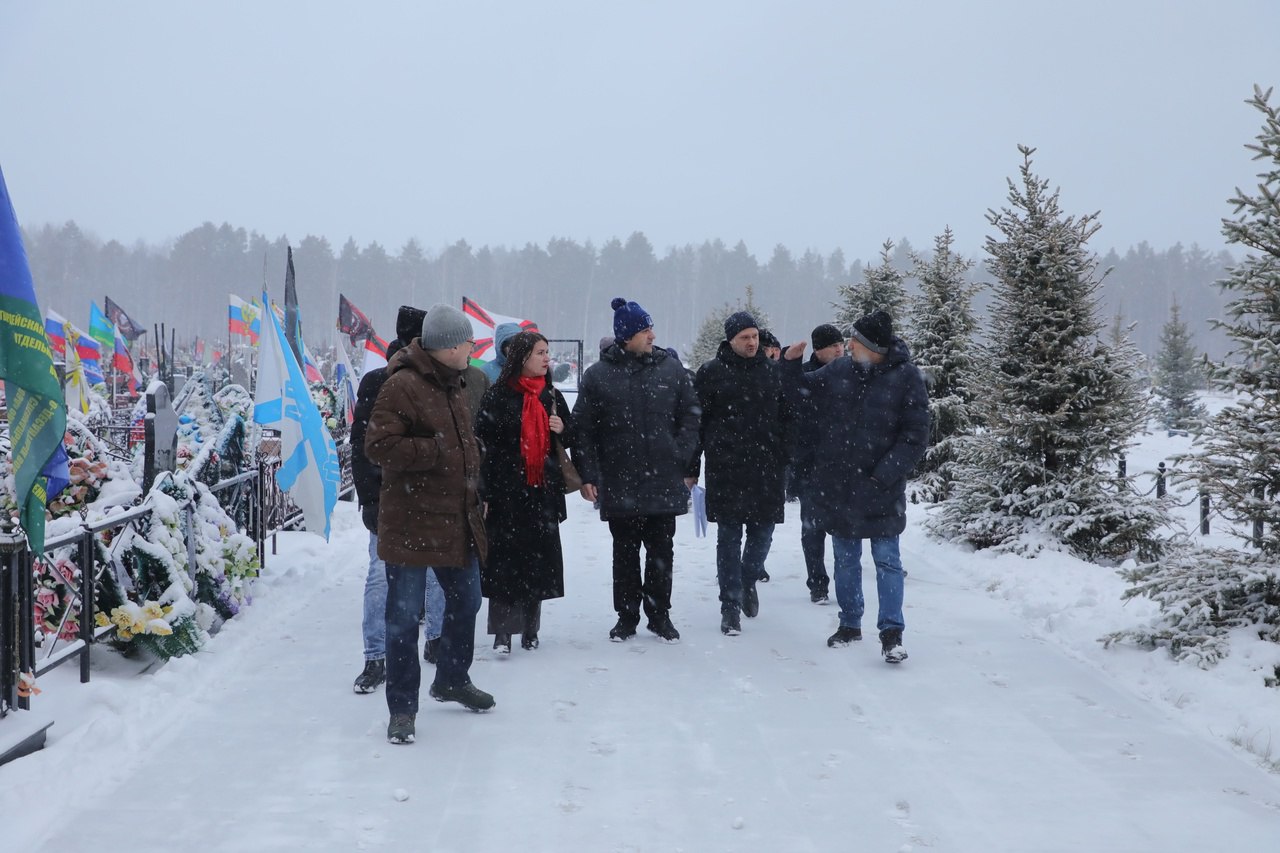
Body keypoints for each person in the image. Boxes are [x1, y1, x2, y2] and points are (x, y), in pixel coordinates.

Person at [365, 303, 495, 745]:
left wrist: (474, 467)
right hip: (410, 522)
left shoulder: (456, 380)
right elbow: (378, 445)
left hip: (455, 518)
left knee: (468, 600)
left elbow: (461, 441)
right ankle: (403, 709)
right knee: (403, 619)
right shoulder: (401, 385)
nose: (473, 349)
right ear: (449, 346)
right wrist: (436, 451)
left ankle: (452, 678)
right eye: (469, 343)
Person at [781, 310, 928, 664]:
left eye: (855, 341)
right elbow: (800, 395)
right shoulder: (840, 370)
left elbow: (915, 436)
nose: (848, 345)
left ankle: (891, 634)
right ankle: (849, 624)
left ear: (873, 346)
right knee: (845, 560)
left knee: (887, 561)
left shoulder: (907, 377)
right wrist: (789, 365)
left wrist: (882, 475)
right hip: (841, 487)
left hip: (882, 490)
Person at [572, 297, 700, 643]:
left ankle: (660, 616)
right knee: (624, 553)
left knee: (662, 552)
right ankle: (626, 616)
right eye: (645, 330)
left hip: (663, 479)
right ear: (626, 336)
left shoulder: (672, 370)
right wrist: (587, 474)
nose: (652, 336)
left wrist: (680, 455)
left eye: (651, 329)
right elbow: (583, 430)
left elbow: (691, 416)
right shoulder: (598, 376)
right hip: (620, 480)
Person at [350, 305, 445, 694]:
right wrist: (370, 499)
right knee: (381, 576)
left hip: (432, 495)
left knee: (437, 573)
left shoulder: (441, 379)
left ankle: (437, 640)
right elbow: (362, 445)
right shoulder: (379, 381)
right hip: (390, 496)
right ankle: (375, 656)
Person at [475, 331, 574, 654]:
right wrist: (485, 492)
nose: (547, 358)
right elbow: (482, 446)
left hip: (542, 492)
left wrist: (563, 428)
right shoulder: (497, 395)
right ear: (521, 358)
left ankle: (531, 629)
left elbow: (572, 436)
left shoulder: (550, 394)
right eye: (540, 353)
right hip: (506, 492)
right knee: (504, 563)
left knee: (537, 561)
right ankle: (503, 633)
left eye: (547, 352)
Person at [690, 312, 788, 636]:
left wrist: (785, 455)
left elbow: (789, 418)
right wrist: (692, 465)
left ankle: (747, 579)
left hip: (767, 468)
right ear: (731, 339)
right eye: (745, 337)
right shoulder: (711, 373)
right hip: (726, 467)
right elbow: (697, 423)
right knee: (729, 538)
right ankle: (729, 606)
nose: (751, 342)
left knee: (763, 534)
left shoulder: (773, 373)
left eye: (755, 336)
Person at [789, 323, 846, 604]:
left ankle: (845, 581)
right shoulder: (805, 376)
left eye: (841, 344)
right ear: (818, 349)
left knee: (843, 527)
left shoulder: (851, 374)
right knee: (812, 528)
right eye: (833, 346)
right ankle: (817, 582)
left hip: (843, 466)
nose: (839, 350)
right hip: (810, 465)